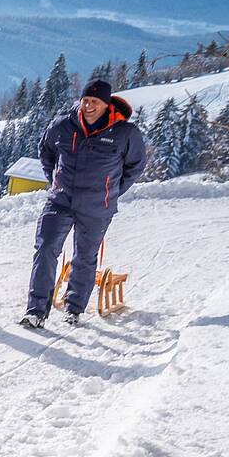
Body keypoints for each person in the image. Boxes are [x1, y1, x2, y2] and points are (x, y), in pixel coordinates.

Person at [20, 78, 148, 328]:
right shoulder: (62, 125)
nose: (88, 106)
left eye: (95, 102)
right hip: (60, 199)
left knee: (85, 257)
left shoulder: (125, 133)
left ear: (106, 104)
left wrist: (112, 192)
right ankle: (36, 310)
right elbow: (45, 151)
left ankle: (74, 308)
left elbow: (136, 166)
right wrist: (54, 178)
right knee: (45, 249)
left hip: (97, 207)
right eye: (85, 100)